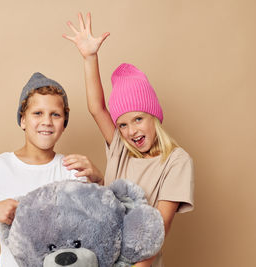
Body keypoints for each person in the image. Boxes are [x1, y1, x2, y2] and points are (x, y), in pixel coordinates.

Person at [63, 13, 194, 267]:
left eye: (138, 119)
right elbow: (96, 108)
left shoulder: (176, 161)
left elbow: (157, 231)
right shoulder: (121, 149)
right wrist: (90, 57)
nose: (131, 131)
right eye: (122, 124)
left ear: (154, 116)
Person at [0, 72, 103, 266]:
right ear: (23, 120)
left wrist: (98, 179)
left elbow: (99, 223)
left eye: (55, 115)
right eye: (38, 113)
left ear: (64, 123)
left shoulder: (71, 168)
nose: (47, 121)